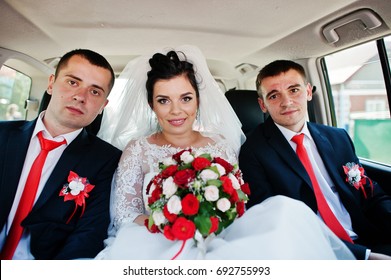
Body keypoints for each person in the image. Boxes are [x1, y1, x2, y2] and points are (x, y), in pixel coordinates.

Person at [95, 45, 354, 260]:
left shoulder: (219, 145)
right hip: (154, 243)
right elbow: (124, 216)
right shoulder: (138, 149)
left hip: (220, 241)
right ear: (152, 105)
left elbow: (239, 201)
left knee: (284, 210)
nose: (176, 111)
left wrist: (210, 225)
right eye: (164, 100)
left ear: (198, 99)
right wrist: (172, 224)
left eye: (185, 98)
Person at [238, 59, 391, 260]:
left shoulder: (338, 137)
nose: (287, 102)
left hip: (365, 232)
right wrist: (366, 256)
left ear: (308, 92)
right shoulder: (253, 152)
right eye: (274, 95)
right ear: (263, 105)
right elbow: (274, 222)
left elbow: (370, 193)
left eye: (294, 90)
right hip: (311, 250)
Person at [0, 49, 122, 260]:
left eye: (94, 92)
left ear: (103, 106)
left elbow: (89, 234)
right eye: (73, 82)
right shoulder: (2, 135)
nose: (80, 97)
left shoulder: (108, 160)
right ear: (50, 84)